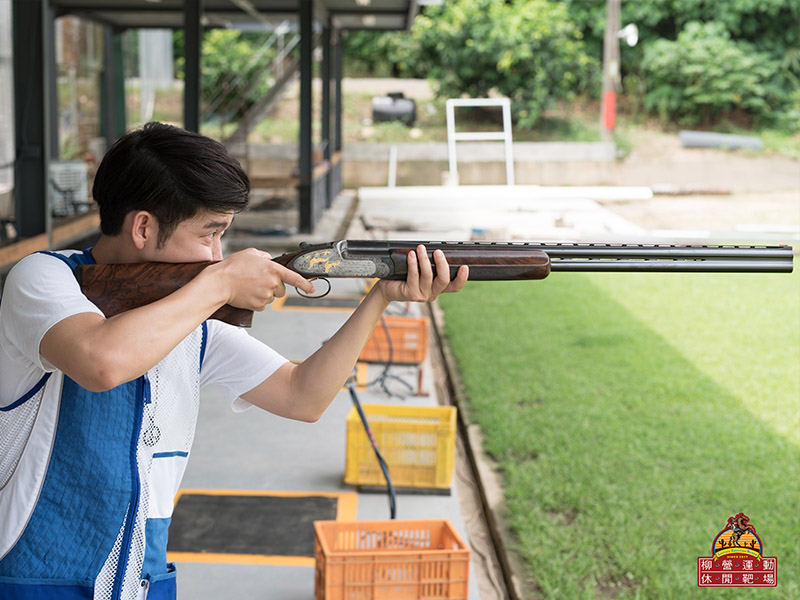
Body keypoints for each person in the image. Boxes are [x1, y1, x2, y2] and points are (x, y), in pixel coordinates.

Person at [0, 122, 468, 599]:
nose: (219, 255)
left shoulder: (193, 315)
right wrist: (221, 284)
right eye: (211, 234)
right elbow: (102, 362)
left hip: (142, 578)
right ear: (143, 227)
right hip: (33, 575)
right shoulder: (40, 278)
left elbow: (302, 396)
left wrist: (380, 297)